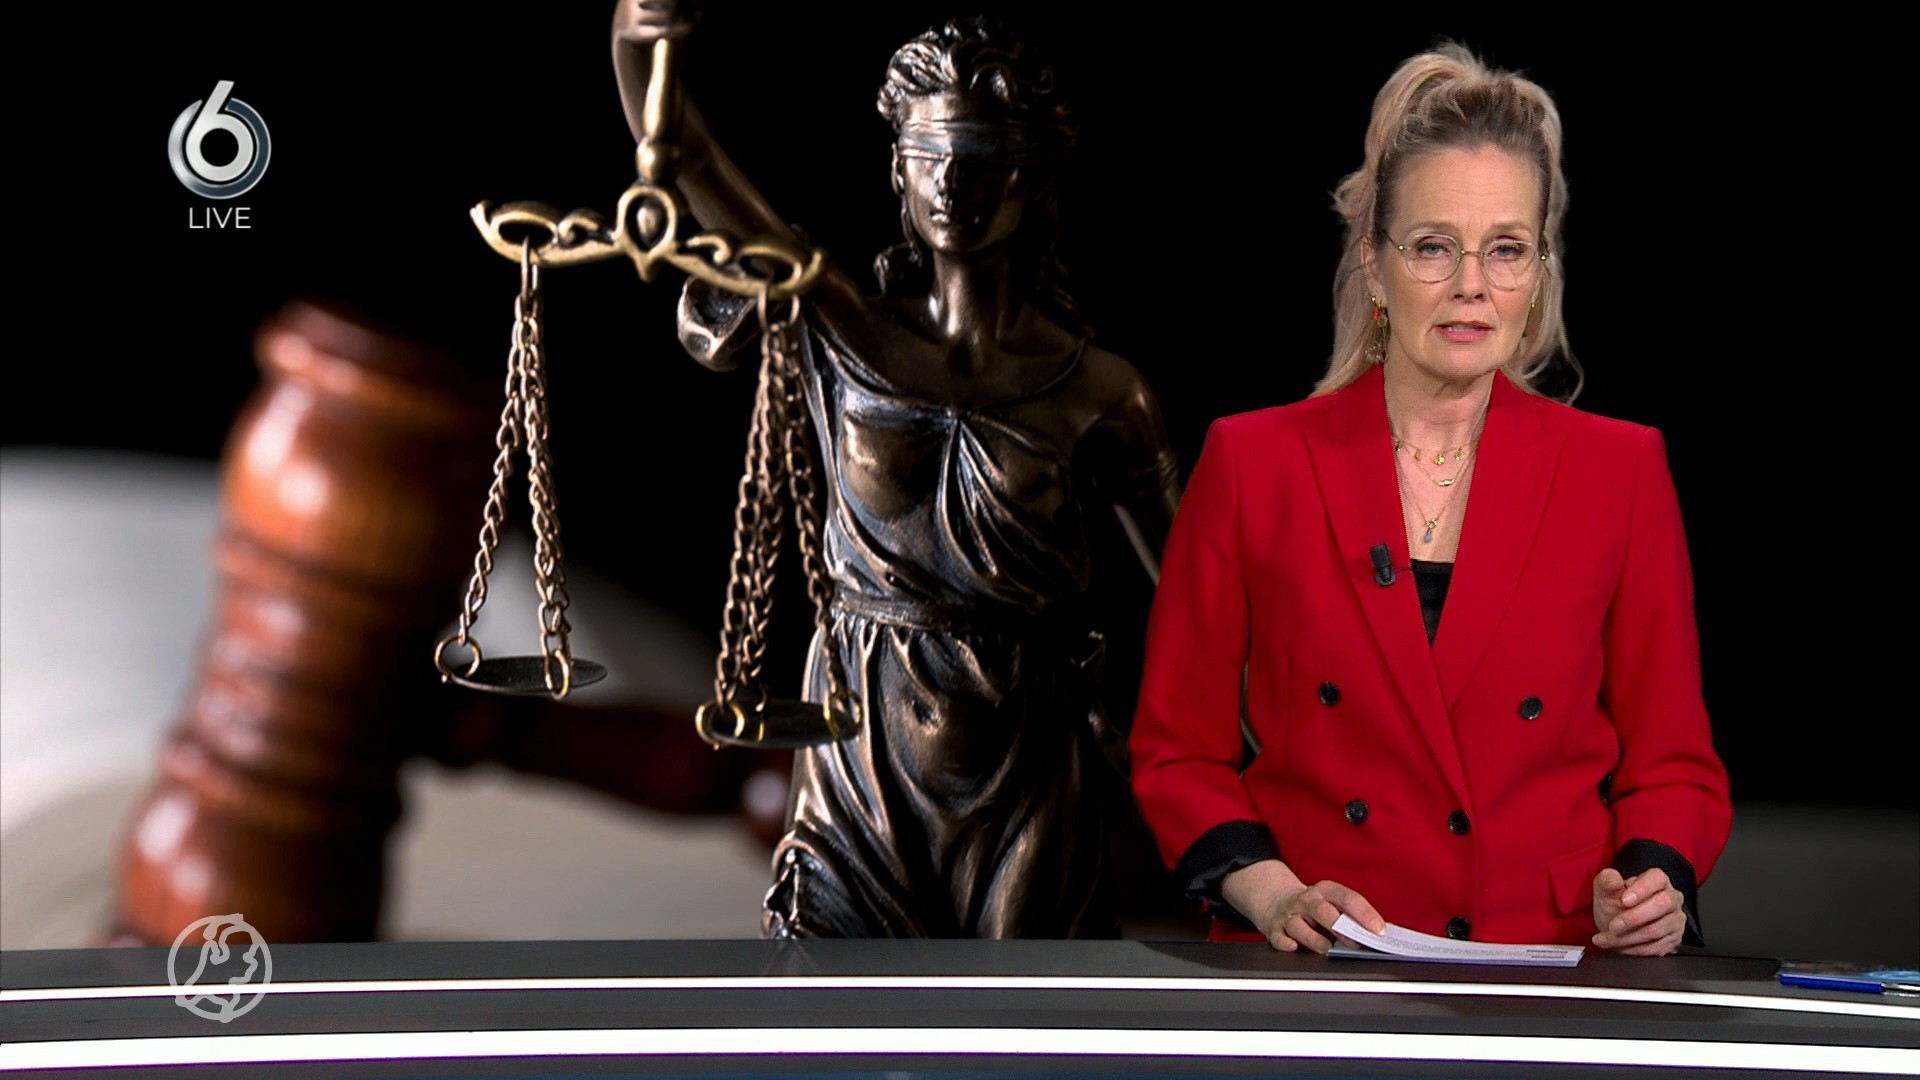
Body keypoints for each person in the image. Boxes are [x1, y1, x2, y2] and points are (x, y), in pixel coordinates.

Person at [1129, 45, 1730, 955]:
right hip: (1317, 960)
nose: (1471, 286)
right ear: (1374, 264)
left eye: (1507, 249)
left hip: (1542, 967)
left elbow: (1674, 766)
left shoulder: (1621, 470)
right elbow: (1178, 753)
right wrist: (1270, 892)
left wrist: (1653, 889)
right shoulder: (1254, 463)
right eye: (1434, 247)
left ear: (1539, 271)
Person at [613, 7, 1180, 937]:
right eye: (928, 155)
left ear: (1033, 178)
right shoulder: (841, 326)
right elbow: (685, 157)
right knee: (829, 993)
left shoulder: (1101, 392)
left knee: (1021, 1005)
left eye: (981, 157)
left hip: (1026, 757)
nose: (952, 182)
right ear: (898, 172)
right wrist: (640, 41)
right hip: (857, 739)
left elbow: (1199, 596)